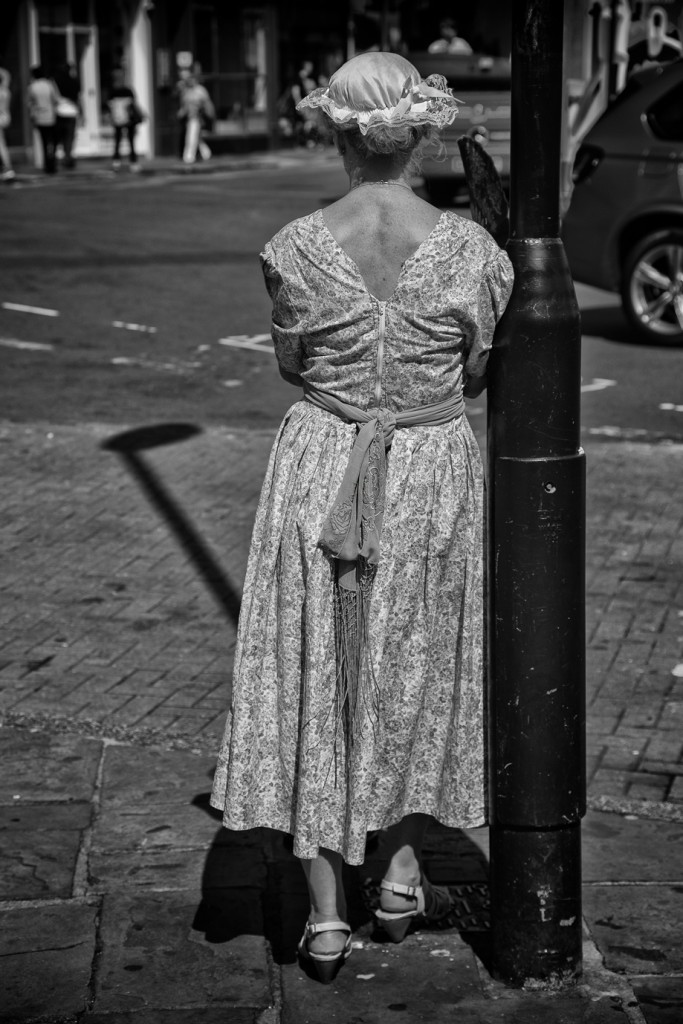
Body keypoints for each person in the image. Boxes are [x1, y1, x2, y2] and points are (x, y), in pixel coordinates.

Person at [209, 52, 513, 984]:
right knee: (417, 667)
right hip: (427, 467)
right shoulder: (470, 251)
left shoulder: (294, 245)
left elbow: (293, 368)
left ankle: (327, 915)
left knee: (314, 665)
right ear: (423, 133)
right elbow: (475, 372)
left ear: (332, 132)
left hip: (321, 462)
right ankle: (400, 870)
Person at [107, 68, 142, 171]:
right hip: (127, 119)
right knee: (129, 140)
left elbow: (109, 106)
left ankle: (116, 162)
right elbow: (133, 104)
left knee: (118, 139)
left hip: (119, 119)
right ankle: (132, 162)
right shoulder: (127, 90)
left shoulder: (113, 91)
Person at [27, 65, 59, 174]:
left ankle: (47, 164)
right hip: (51, 116)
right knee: (52, 141)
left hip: (39, 117)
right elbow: (56, 99)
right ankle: (52, 163)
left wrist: (32, 116)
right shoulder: (49, 84)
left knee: (44, 142)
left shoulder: (32, 87)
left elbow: (30, 103)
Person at [178, 72, 214, 164]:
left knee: (191, 136)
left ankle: (189, 157)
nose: (189, 81)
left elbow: (206, 104)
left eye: (191, 79)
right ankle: (206, 153)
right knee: (197, 137)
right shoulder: (186, 91)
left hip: (198, 117)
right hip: (189, 117)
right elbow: (185, 105)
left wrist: (209, 114)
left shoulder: (200, 90)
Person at [54, 62, 81, 169]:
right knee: (69, 138)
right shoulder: (74, 82)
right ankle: (67, 158)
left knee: (57, 138)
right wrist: (81, 111)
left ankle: (54, 159)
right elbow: (78, 98)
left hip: (59, 111)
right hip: (71, 112)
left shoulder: (56, 81)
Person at [0, 67, 15, 180]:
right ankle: (6, 168)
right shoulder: (6, 91)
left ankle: (8, 168)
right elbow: (6, 75)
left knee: (1, 145)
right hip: (5, 118)